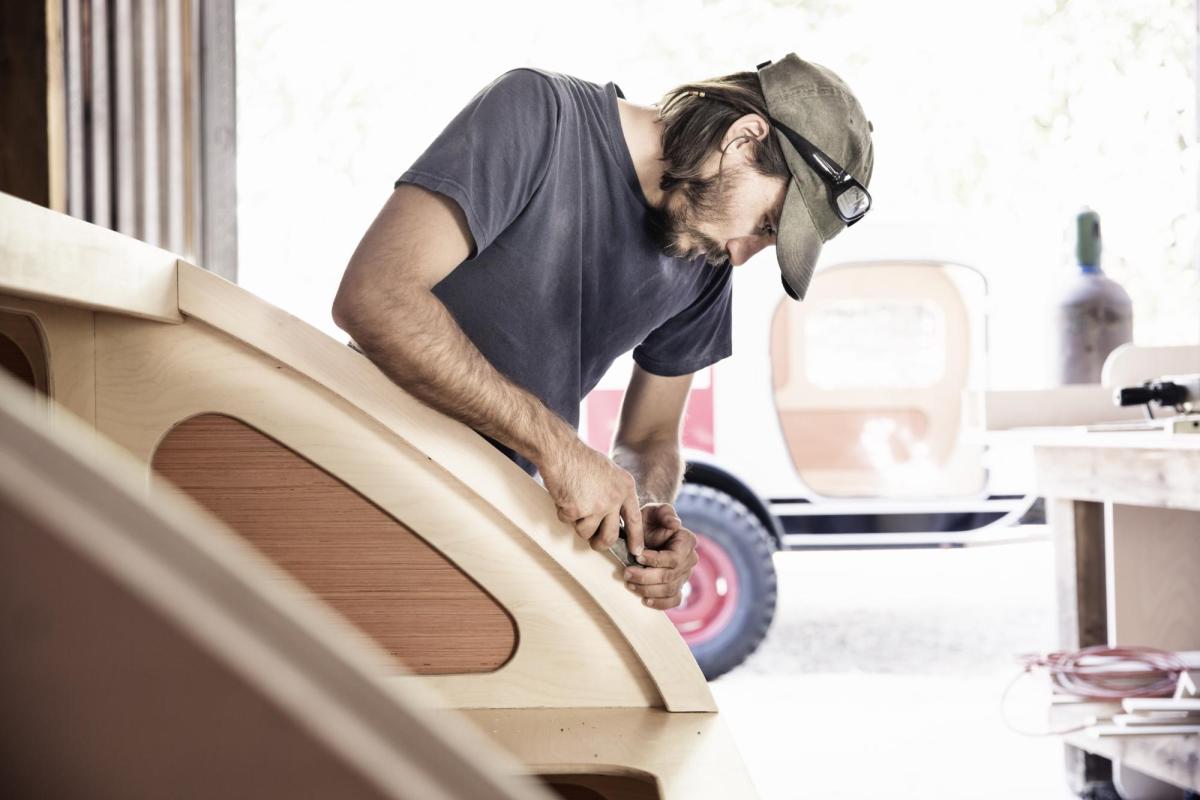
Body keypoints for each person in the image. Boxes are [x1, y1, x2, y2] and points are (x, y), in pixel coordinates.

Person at [332, 53, 874, 611]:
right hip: (352, 490)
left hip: (479, 542)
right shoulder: (540, 115)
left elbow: (649, 440)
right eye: (766, 226)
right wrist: (557, 446)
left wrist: (643, 519)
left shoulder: (706, 265)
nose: (741, 256)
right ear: (742, 139)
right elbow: (375, 297)